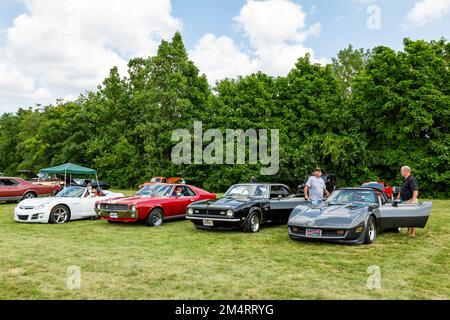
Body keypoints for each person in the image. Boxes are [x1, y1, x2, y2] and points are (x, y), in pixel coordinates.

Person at [396, 166, 419, 237]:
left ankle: (413, 232)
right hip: (405, 201)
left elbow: (415, 191)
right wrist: (398, 196)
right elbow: (402, 189)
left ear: (405, 171)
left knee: (412, 217)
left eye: (401, 171)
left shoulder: (411, 179)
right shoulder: (406, 180)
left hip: (411, 201)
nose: (401, 173)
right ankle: (409, 231)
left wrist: (413, 201)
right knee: (408, 217)